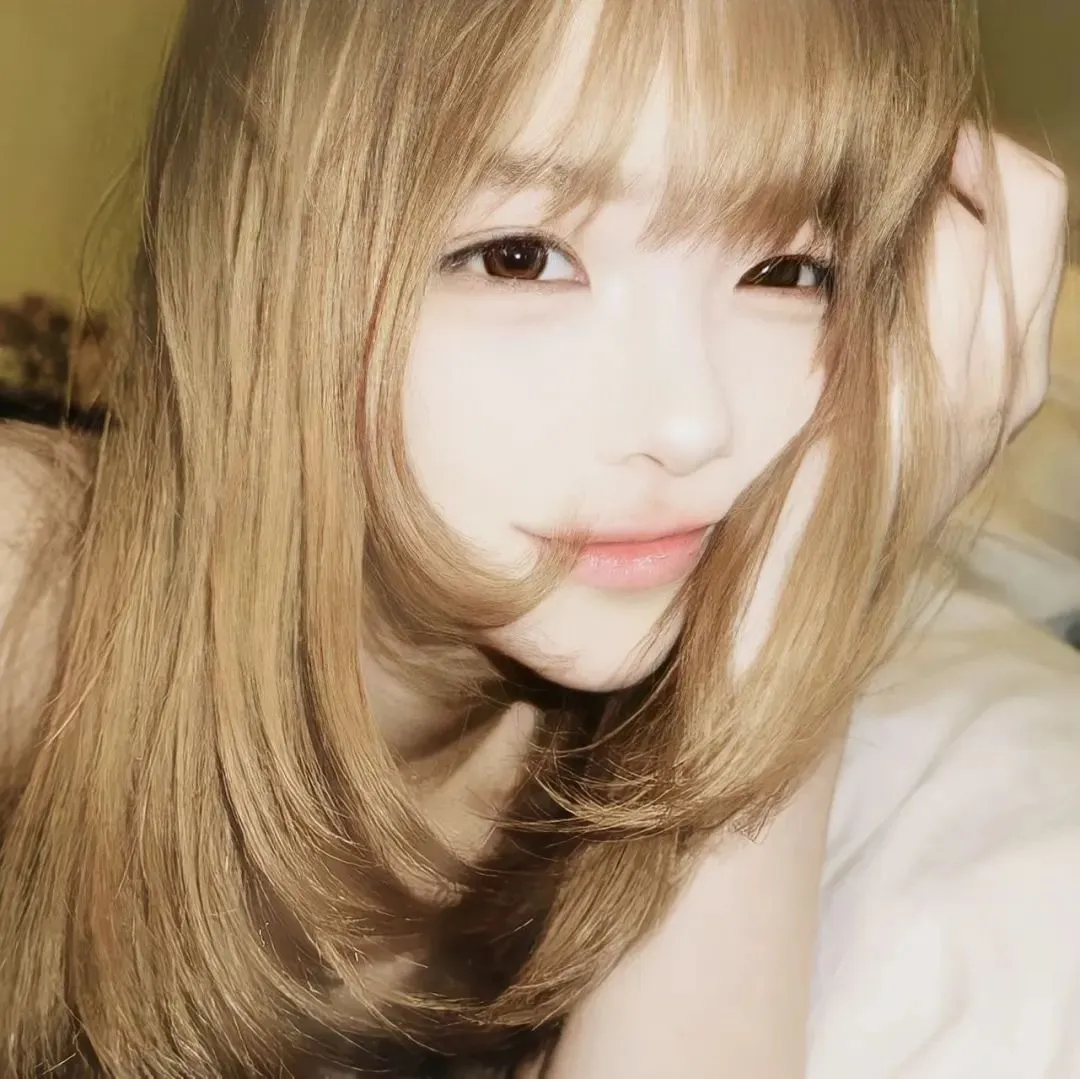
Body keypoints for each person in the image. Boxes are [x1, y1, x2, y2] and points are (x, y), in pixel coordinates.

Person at [0, 0, 1069, 1076]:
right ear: (256, 254)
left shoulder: (638, 726)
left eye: (790, 272)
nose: (693, 425)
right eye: (521, 257)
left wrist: (805, 619)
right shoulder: (30, 586)